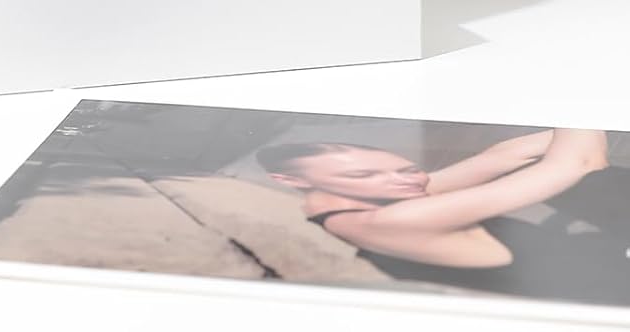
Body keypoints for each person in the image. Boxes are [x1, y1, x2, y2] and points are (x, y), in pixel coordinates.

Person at [257, 129, 630, 305]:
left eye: (406, 169)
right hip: (611, 291)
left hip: (599, 254)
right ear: (290, 179)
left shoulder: (361, 197)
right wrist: (581, 95)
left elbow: (502, 157)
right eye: (363, 174)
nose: (404, 180)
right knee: (582, 176)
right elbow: (578, 163)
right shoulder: (392, 219)